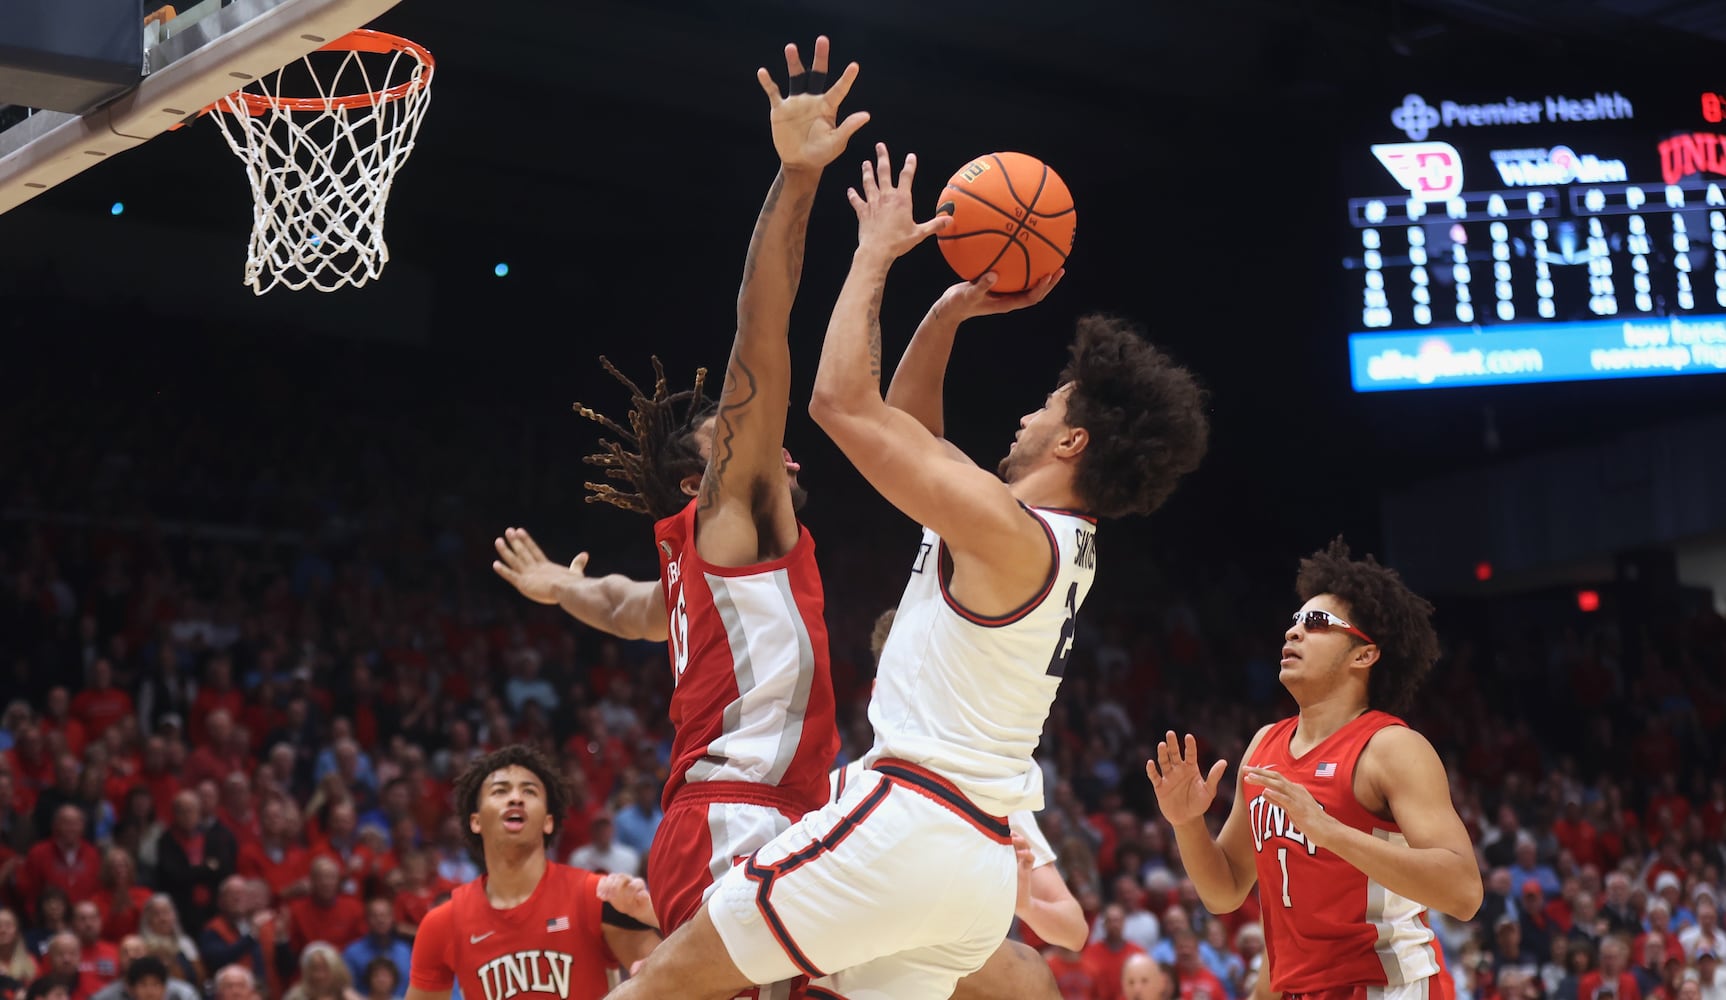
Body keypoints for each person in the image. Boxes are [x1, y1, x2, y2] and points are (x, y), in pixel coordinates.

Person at [614, 142, 1209, 998]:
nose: (1026, 413)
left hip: (908, 821)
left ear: (1073, 442)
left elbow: (841, 405)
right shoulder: (1045, 537)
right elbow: (912, 429)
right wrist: (951, 310)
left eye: (1047, 409)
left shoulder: (1005, 528)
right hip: (969, 865)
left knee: (662, 983)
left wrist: (874, 254)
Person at [489, 33, 865, 952]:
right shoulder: (731, 514)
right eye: (752, 442)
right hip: (739, 819)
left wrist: (561, 589)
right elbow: (758, 327)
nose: (782, 453)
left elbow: (627, 606)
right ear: (706, 479)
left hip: (757, 815)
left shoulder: (704, 578)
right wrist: (799, 178)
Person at [1148, 539, 1483, 1000]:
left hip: (1388, 987)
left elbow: (1463, 892)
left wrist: (1331, 832)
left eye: (1317, 622)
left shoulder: (1391, 747)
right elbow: (1224, 891)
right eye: (1295, 621)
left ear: (1363, 655)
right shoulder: (1263, 745)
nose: (1293, 632)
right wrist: (1186, 823)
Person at [404, 746, 661, 1000]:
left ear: (548, 821)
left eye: (529, 791)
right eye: (500, 791)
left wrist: (654, 915)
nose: (515, 798)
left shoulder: (597, 897)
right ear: (476, 821)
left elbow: (673, 983)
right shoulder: (443, 924)